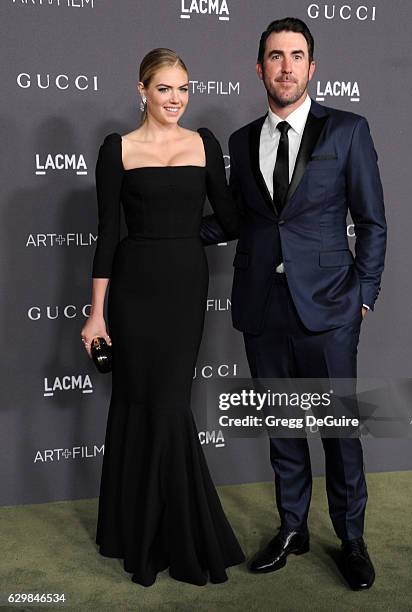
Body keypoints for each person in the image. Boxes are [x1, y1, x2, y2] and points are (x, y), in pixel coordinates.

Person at [201, 18, 387, 590]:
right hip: (263, 309)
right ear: (259, 68)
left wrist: (363, 296)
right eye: (275, 56)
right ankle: (292, 528)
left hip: (330, 309)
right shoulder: (239, 141)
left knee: (338, 430)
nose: (285, 66)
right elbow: (235, 221)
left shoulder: (348, 130)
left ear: (312, 67)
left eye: (296, 56)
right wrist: (161, 225)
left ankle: (351, 538)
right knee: (283, 427)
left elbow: (373, 223)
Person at [80, 48, 244, 587]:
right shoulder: (118, 149)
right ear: (142, 91)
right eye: (164, 89)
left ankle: (173, 532)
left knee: (170, 402)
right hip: (132, 288)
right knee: (136, 401)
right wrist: (96, 314)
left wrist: (181, 240)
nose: (175, 99)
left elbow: (228, 217)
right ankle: (133, 532)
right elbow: (108, 234)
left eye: (183, 90)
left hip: (183, 287)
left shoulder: (203, 143)